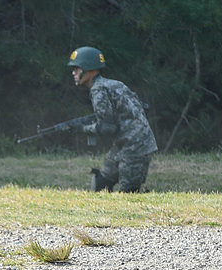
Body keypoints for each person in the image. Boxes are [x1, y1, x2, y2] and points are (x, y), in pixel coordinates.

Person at [67, 46, 158, 193]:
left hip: (136, 145)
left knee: (128, 194)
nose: (74, 73)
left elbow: (107, 128)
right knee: (100, 183)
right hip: (125, 143)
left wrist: (81, 128)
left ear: (89, 68)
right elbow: (142, 107)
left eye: (77, 68)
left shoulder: (98, 90)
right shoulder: (113, 84)